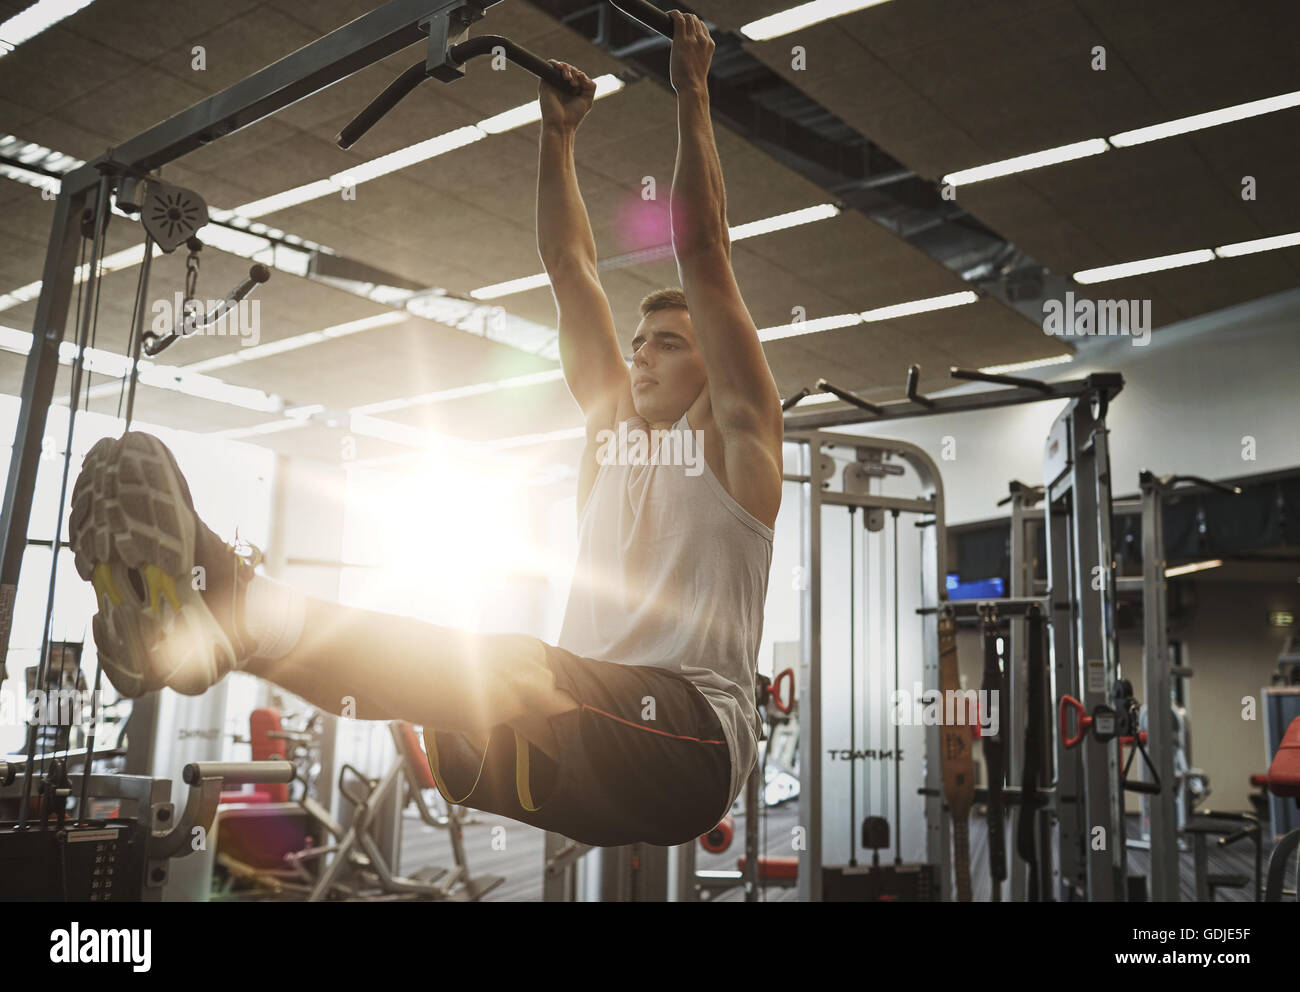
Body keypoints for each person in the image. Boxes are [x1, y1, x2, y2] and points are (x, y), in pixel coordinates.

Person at [71, 11, 783, 848]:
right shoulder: (610, 440)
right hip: (573, 748)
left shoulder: (740, 452)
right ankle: (228, 629)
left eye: (669, 342)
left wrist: (692, 87)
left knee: (515, 667)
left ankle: (232, 599)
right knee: (458, 686)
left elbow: (703, 253)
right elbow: (570, 269)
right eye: (637, 343)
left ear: (715, 368)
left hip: (690, 746)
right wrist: (557, 135)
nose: (642, 356)